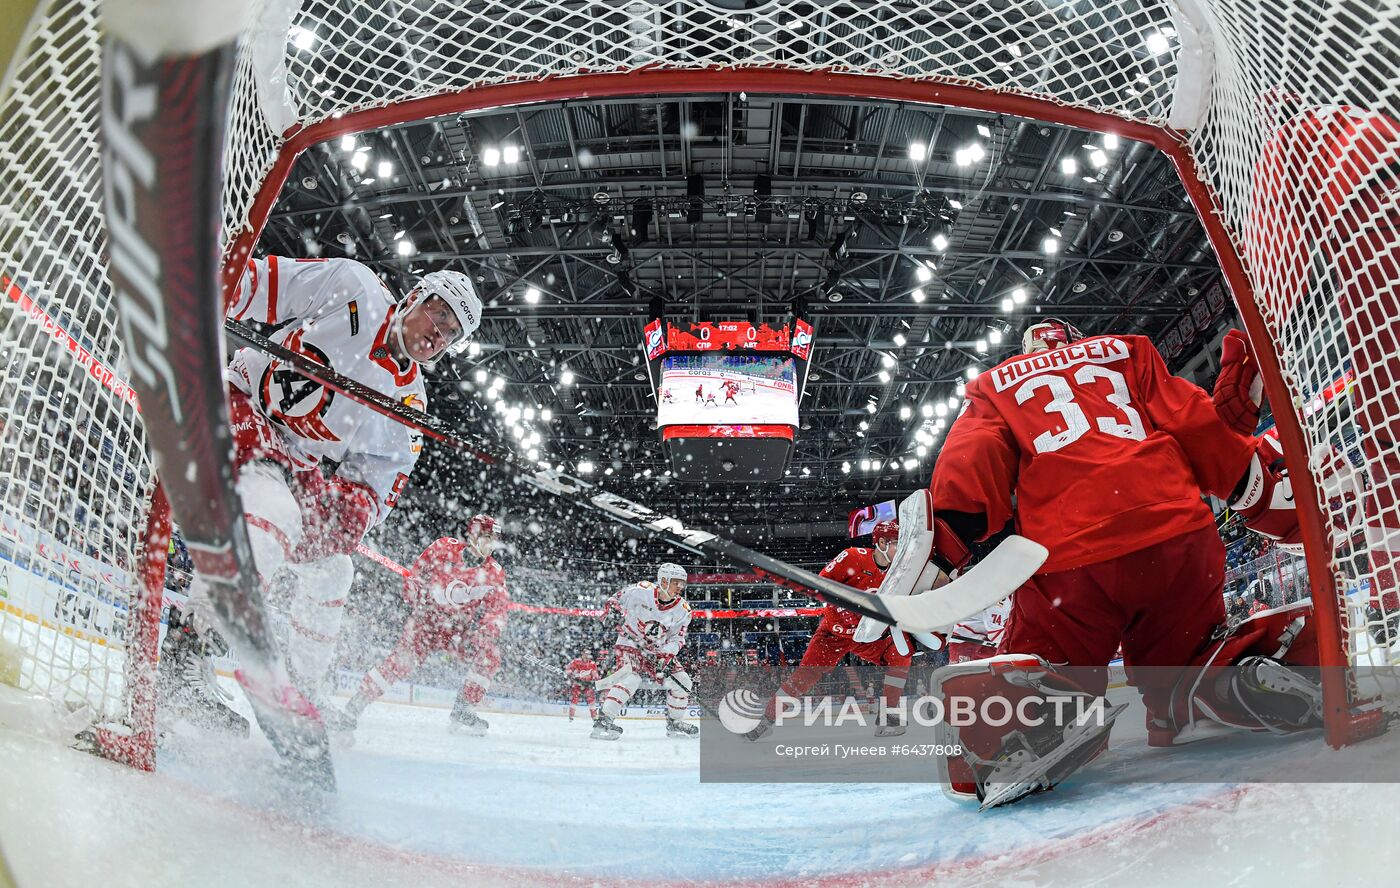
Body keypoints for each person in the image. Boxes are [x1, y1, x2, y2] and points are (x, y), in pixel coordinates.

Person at [920, 319, 1313, 807]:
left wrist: (944, 552)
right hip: (1176, 533)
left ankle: (1035, 725)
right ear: (1076, 338)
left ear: (1027, 347)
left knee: (1053, 664)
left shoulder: (995, 385)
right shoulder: (1128, 351)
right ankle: (1214, 684)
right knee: (1182, 663)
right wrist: (1244, 486)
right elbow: (1195, 423)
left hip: (1071, 555)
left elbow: (970, 464)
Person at [176, 256, 483, 724]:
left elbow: (377, 481)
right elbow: (259, 284)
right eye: (440, 315)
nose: (439, 333)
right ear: (417, 296)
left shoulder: (410, 401)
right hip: (240, 408)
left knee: (334, 570)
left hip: (294, 463)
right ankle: (187, 648)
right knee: (273, 510)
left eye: (452, 333)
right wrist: (203, 287)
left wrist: (355, 509)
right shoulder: (353, 285)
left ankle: (301, 686)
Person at [330, 517, 508, 736]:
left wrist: (488, 630)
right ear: (472, 534)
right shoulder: (444, 547)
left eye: (495, 540)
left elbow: (497, 609)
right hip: (426, 623)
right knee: (399, 663)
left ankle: (463, 709)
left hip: (458, 632)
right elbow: (415, 575)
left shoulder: (495, 572)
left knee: (490, 655)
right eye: (487, 537)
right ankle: (354, 706)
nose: (490, 544)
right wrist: (416, 594)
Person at [744, 520, 910, 739]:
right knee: (804, 676)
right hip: (834, 633)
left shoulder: (898, 572)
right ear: (880, 542)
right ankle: (767, 720)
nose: (901, 549)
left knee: (901, 653)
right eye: (897, 543)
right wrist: (845, 609)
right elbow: (821, 585)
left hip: (866, 636)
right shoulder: (853, 556)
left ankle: (888, 714)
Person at [592, 563, 697, 740]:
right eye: (676, 582)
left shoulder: (683, 610)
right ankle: (603, 721)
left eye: (682, 583)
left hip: (657, 651)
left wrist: (667, 654)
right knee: (630, 678)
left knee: (683, 682)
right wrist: (611, 611)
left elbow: (677, 638)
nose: (680, 587)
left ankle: (674, 723)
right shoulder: (641, 590)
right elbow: (614, 599)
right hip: (629, 643)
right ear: (663, 580)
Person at [566, 649, 600, 721]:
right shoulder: (576, 661)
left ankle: (594, 717)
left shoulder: (592, 664)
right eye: (585, 654)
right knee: (575, 698)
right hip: (578, 683)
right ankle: (571, 716)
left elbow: (595, 675)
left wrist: (593, 680)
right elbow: (568, 670)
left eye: (588, 654)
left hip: (588, 684)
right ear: (582, 654)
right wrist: (571, 674)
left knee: (591, 699)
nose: (586, 656)